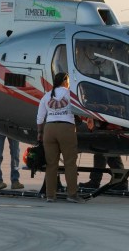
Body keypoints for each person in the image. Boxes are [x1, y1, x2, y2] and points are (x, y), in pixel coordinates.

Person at [36, 72, 82, 203]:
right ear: (65, 80)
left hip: (49, 129)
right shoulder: (70, 94)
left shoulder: (46, 96)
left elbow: (40, 117)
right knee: (69, 163)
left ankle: (50, 195)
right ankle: (72, 195)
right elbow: (80, 110)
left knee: (51, 164)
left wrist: (40, 133)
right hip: (66, 128)